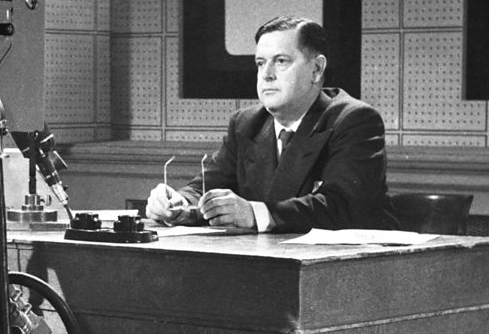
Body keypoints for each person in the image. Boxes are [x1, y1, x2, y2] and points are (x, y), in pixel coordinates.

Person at [146, 15, 397, 232]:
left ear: (317, 69)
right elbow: (205, 188)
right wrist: (179, 205)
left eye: (281, 61)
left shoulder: (353, 119)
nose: (266, 75)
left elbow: (343, 206)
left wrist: (254, 214)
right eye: (260, 63)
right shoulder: (246, 123)